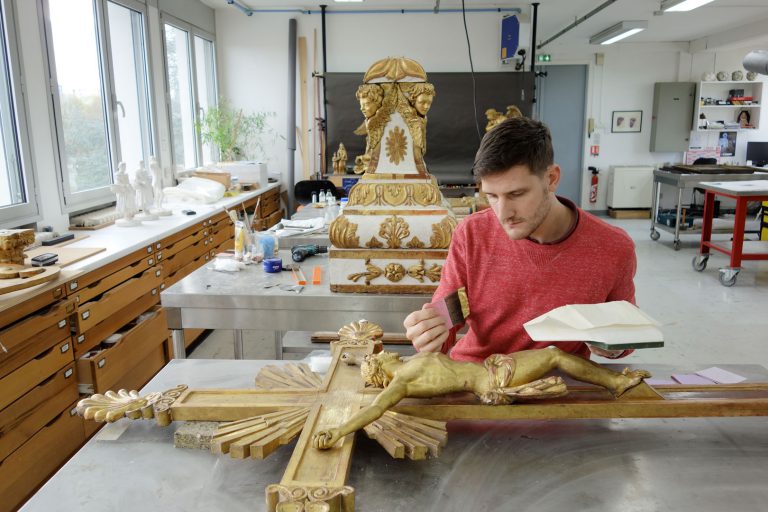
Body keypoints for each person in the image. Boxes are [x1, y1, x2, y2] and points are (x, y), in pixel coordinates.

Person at [403, 117, 638, 363]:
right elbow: (449, 315)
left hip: (558, 386)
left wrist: (615, 345)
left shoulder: (612, 247)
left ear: (551, 178)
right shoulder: (472, 233)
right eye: (492, 196)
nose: (503, 213)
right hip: (478, 375)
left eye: (516, 194)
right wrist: (429, 333)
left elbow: (627, 331)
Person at [312, 349, 652, 449]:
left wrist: (358, 359)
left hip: (490, 364)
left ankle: (613, 380)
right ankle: (614, 383)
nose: (383, 352)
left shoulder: (411, 361)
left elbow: (366, 358)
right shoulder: (400, 380)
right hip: (492, 379)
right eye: (379, 357)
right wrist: (339, 431)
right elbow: (375, 407)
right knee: (553, 356)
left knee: (554, 355)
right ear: (382, 372)